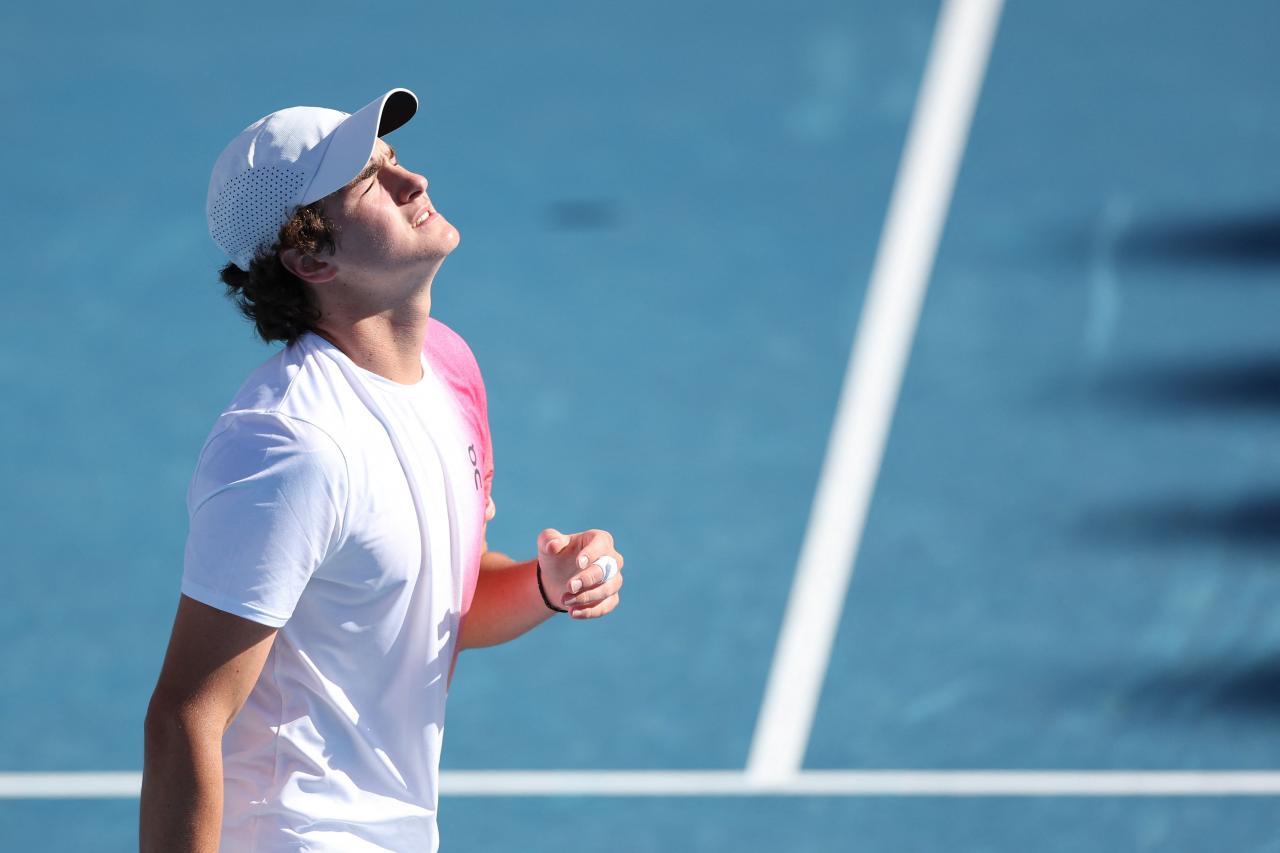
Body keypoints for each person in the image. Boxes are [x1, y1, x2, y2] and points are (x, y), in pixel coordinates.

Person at [139, 87, 625, 853]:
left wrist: (544, 584)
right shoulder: (289, 445)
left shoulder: (450, 366)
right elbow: (184, 716)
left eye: (394, 159)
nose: (413, 182)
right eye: (370, 181)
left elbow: (438, 603)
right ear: (311, 258)